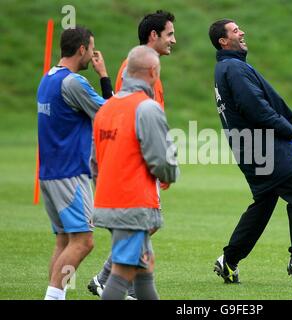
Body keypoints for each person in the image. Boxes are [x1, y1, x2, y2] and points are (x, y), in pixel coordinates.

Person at [208, 19, 292, 286]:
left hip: (250, 150)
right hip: (265, 148)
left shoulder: (225, 67)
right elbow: (255, 108)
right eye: (235, 30)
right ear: (223, 41)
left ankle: (229, 260)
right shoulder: (234, 68)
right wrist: (287, 128)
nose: (242, 32)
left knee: (264, 202)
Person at [87, 9, 176, 299]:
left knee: (144, 267)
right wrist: (166, 171)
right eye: (170, 34)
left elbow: (95, 159)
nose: (174, 40)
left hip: (114, 195)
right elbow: (149, 143)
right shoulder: (140, 90)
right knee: (125, 270)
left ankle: (108, 280)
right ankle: (103, 280)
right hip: (133, 193)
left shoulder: (108, 108)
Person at [37, 26, 113, 300]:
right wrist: (104, 76)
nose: (92, 54)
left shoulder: (48, 78)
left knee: (65, 241)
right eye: (91, 49)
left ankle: (57, 295)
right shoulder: (74, 83)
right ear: (82, 49)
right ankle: (54, 297)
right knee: (84, 241)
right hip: (70, 174)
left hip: (48, 174)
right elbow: (110, 113)